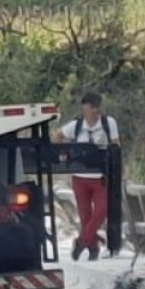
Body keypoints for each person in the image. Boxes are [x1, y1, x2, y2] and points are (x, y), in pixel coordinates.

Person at [54, 92, 121, 261]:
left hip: (100, 177)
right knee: (85, 215)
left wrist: (116, 166)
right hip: (79, 176)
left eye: (95, 107)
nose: (92, 111)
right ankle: (93, 247)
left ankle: (81, 241)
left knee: (101, 211)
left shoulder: (108, 123)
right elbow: (58, 136)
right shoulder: (76, 126)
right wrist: (64, 152)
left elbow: (115, 145)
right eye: (89, 107)